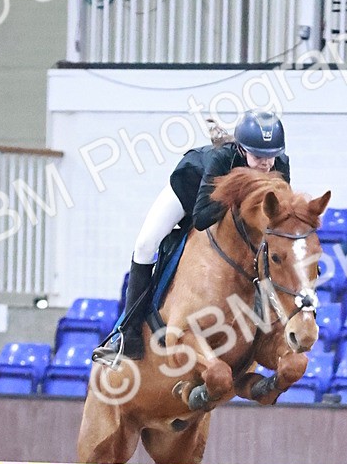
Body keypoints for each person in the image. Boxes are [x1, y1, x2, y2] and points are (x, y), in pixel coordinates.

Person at [93, 110, 290, 363]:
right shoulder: (222, 159)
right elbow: (202, 217)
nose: (266, 164)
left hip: (222, 208)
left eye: (271, 156)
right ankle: (127, 335)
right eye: (258, 156)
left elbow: (278, 220)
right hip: (188, 192)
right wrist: (238, 190)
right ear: (241, 149)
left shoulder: (279, 164)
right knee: (145, 244)